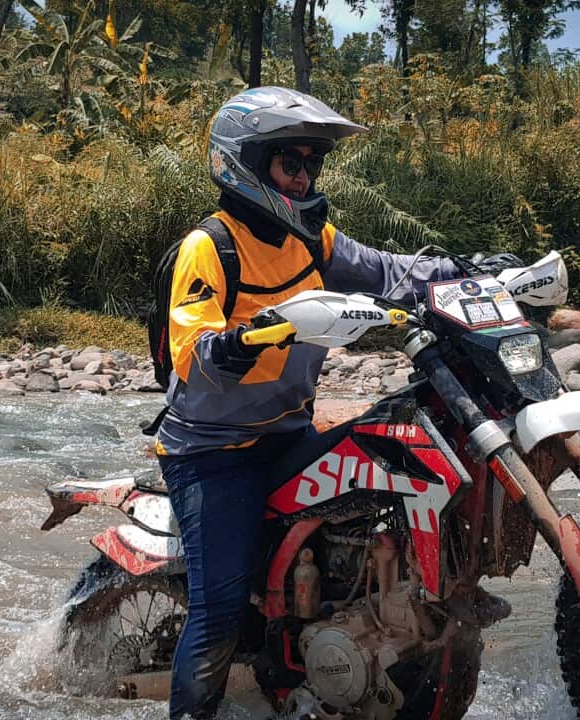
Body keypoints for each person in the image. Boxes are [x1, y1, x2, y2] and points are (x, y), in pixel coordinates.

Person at [157, 86, 464, 719]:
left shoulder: (311, 238)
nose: (301, 178)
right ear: (244, 160)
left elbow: (387, 271)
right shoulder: (210, 245)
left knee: (384, 484)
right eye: (288, 163)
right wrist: (239, 340)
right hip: (214, 454)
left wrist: (464, 269)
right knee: (217, 612)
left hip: (288, 433)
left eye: (309, 164)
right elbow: (191, 349)